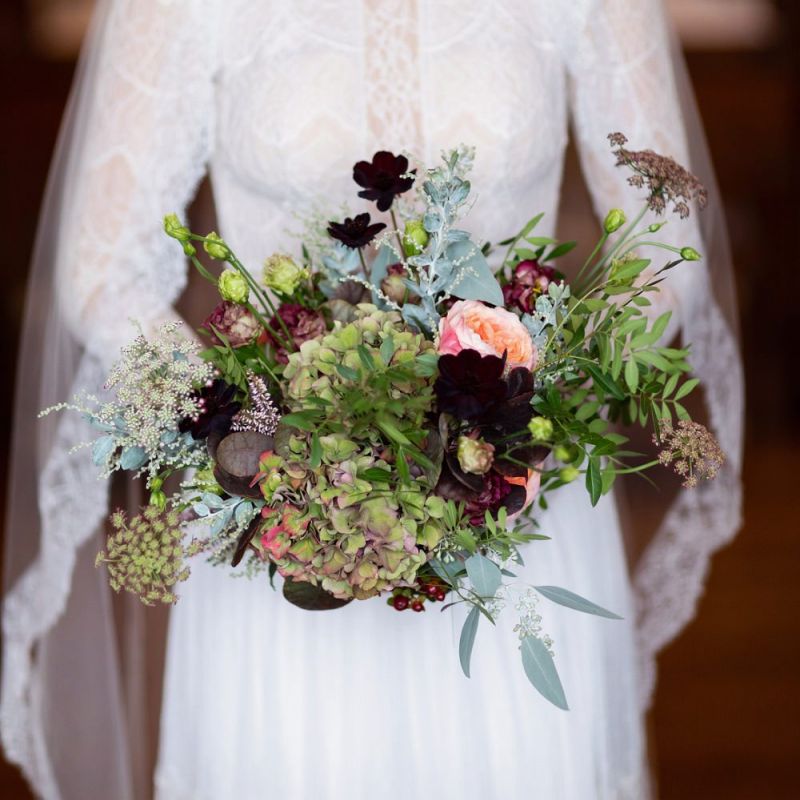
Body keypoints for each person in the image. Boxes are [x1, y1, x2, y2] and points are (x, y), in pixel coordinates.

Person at [1, 1, 744, 798]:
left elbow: (669, 246)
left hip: (514, 515)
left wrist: (525, 406)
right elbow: (103, 271)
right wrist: (249, 436)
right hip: (285, 527)